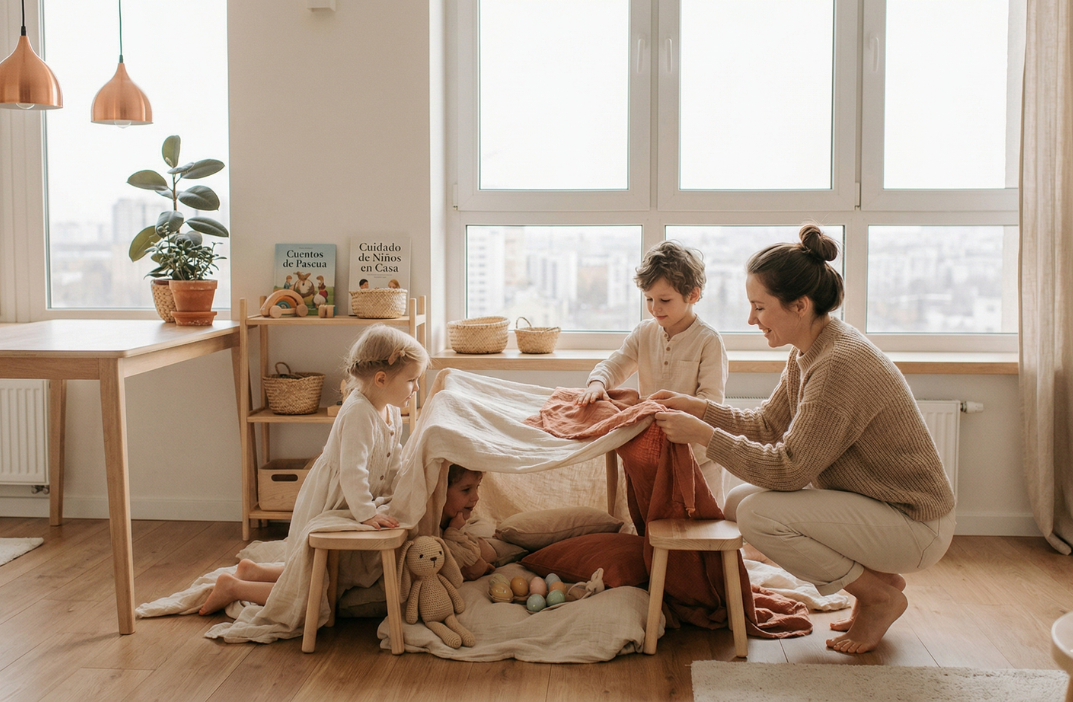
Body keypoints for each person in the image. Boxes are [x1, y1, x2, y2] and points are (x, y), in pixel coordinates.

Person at [652, 223, 956, 654]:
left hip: (913, 523)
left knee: (758, 515)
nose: (751, 319)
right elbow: (766, 425)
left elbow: (789, 469)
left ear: (799, 305)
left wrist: (704, 435)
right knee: (740, 502)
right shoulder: (811, 349)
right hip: (880, 509)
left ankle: (878, 596)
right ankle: (879, 583)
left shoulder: (838, 364)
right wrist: (699, 407)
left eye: (759, 307)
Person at [199, 324, 428, 615]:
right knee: (313, 593)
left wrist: (393, 498)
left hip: (356, 499)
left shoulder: (392, 409)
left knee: (330, 576)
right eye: (411, 380)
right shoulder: (359, 412)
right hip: (334, 501)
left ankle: (254, 571)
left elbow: (393, 459)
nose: (417, 388)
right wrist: (367, 513)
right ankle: (234, 587)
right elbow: (352, 471)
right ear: (381, 379)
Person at [576, 240, 729, 500]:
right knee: (655, 523)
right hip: (653, 455)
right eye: (649, 299)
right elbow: (616, 363)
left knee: (705, 527)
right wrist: (597, 383)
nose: (655, 308)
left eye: (665, 300)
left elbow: (711, 403)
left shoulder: (708, 341)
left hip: (700, 460)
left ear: (693, 295)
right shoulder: (644, 332)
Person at [439, 464, 497, 581]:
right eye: (466, 489)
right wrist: (453, 532)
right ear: (440, 492)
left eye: (477, 487)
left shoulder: (455, 516)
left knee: (489, 552)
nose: (476, 497)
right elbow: (473, 569)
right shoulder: (427, 526)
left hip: (469, 531)